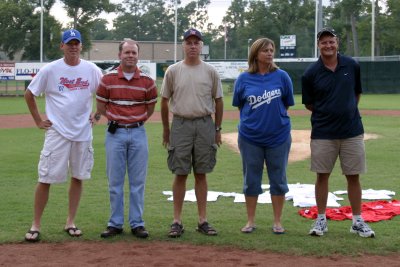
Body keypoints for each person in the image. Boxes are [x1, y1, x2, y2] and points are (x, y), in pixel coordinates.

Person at [24, 29, 103, 242]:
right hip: (57, 132)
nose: (73, 47)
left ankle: (70, 221)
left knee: (78, 177)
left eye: (76, 43)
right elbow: (30, 93)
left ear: (81, 46)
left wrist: (97, 115)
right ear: (62, 46)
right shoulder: (51, 70)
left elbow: (104, 93)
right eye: (69, 43)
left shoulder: (91, 69)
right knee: (45, 178)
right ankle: (35, 224)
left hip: (82, 133)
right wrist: (38, 120)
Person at [302, 27, 375, 238]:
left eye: (331, 41)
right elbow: (309, 104)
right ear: (318, 45)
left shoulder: (351, 65)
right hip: (323, 132)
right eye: (323, 42)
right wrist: (330, 113)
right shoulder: (310, 73)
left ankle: (357, 220)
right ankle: (321, 219)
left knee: (354, 177)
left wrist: (346, 111)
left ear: (337, 42)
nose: (328, 45)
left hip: (351, 131)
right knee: (322, 176)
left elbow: (356, 93)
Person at [160, 28, 223, 238]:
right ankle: (177, 220)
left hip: (205, 124)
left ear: (201, 46)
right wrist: (166, 130)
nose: (193, 46)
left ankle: (202, 219)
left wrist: (217, 129)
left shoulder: (210, 71)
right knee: (180, 173)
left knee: (201, 173)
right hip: (181, 124)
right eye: (189, 42)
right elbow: (164, 101)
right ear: (183, 45)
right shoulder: (173, 71)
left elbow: (219, 101)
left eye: (197, 42)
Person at [96, 39, 158, 239]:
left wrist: (133, 121)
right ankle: (115, 223)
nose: (130, 56)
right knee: (115, 182)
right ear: (119, 55)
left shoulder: (147, 81)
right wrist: (120, 120)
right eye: (126, 52)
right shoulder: (108, 79)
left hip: (138, 132)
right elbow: (101, 108)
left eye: (133, 53)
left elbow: (149, 109)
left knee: (137, 182)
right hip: (115, 134)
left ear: (138, 55)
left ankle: (137, 223)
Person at [232, 38, 294, 235]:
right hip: (250, 137)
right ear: (255, 54)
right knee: (251, 179)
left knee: (278, 179)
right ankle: (250, 221)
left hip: (278, 136)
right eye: (265, 50)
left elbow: (286, 104)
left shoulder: (282, 76)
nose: (269, 53)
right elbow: (241, 106)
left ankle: (277, 221)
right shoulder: (244, 79)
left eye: (271, 50)